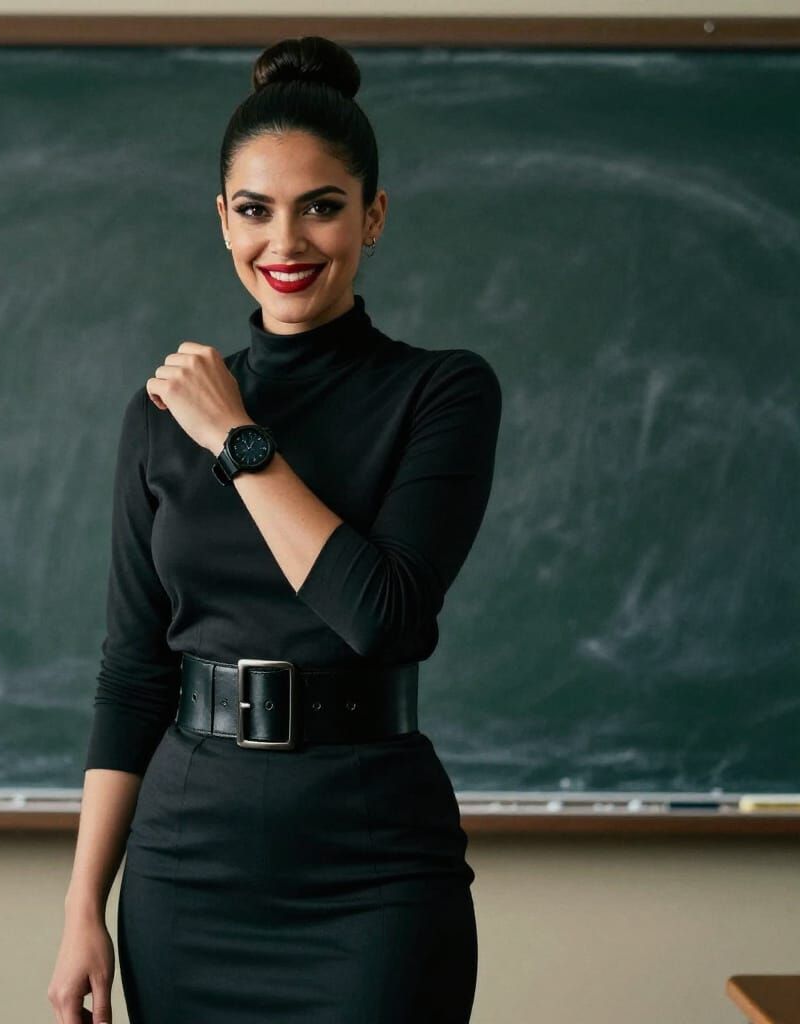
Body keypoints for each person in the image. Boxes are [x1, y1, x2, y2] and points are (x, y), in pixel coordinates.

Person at [48, 34, 502, 1024]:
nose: (285, 243)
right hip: (184, 868)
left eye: (322, 207)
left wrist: (242, 440)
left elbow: (377, 614)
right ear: (221, 221)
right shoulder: (161, 413)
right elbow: (132, 670)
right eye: (255, 210)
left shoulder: (441, 391)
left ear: (373, 216)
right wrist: (84, 904)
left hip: (371, 869)